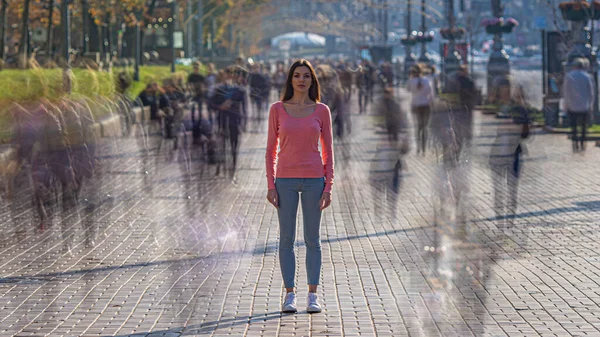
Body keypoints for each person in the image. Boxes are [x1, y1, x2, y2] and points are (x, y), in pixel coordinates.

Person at [265, 59, 334, 314]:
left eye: (306, 76)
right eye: (297, 75)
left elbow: (328, 152)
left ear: (312, 80)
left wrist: (328, 187)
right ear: (290, 80)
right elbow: (271, 150)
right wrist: (270, 184)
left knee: (312, 239)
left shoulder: (321, 110)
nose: (301, 80)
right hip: (285, 181)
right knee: (286, 239)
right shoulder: (278, 109)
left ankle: (313, 295)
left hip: (315, 180)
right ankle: (289, 294)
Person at [489, 83, 531, 228]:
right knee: (510, 189)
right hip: (512, 153)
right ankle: (508, 222)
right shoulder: (520, 110)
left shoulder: (499, 108)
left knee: (501, 189)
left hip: (500, 152)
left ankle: (503, 222)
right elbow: (525, 134)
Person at [563, 57, 595, 152]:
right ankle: (582, 143)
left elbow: (566, 92)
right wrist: (591, 106)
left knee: (574, 127)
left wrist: (566, 105)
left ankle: (575, 144)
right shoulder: (587, 77)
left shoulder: (569, 76)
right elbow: (591, 93)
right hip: (584, 106)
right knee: (584, 126)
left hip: (572, 105)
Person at [406, 65, 434, 155]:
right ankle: (424, 148)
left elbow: (408, 90)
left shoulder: (411, 81)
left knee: (417, 127)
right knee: (425, 127)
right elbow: (430, 93)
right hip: (425, 105)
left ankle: (418, 147)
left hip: (415, 105)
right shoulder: (426, 81)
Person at [187, 62, 206, 143]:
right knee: (193, 113)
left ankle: (200, 128)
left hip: (200, 96)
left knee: (200, 112)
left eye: (197, 67)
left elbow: (204, 86)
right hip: (193, 96)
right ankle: (194, 128)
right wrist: (190, 90)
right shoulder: (191, 76)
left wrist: (202, 90)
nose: (196, 69)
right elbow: (188, 85)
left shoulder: (201, 76)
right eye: (195, 67)